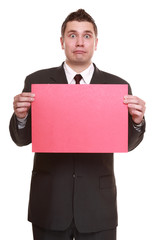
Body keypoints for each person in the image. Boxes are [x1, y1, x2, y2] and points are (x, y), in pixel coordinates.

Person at [9, 9, 146, 240]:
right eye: (72, 35)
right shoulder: (37, 81)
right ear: (62, 42)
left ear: (96, 42)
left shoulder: (116, 87)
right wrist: (21, 116)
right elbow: (21, 139)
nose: (80, 42)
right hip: (49, 204)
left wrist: (137, 121)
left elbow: (128, 144)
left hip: (98, 207)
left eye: (87, 35)